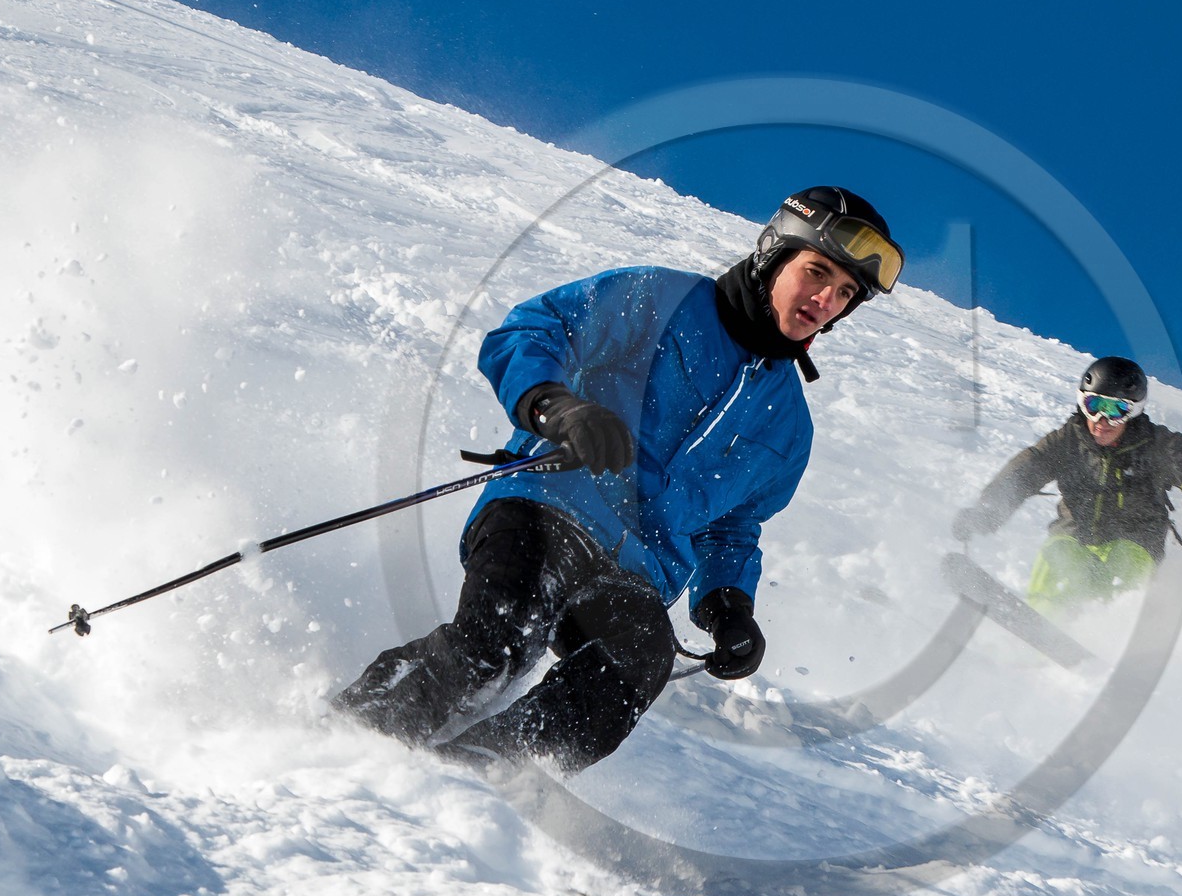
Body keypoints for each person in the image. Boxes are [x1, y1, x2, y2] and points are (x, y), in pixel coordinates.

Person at [334, 187, 904, 771]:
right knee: (499, 644)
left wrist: (729, 604)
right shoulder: (663, 301)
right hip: (547, 509)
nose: (825, 300)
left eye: (844, 293)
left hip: (637, 570)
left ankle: (487, 770)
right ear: (774, 254)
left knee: (636, 663)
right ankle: (355, 732)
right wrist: (555, 406)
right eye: (816, 272)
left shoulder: (788, 425)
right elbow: (535, 331)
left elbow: (732, 525)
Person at [952, 357, 1182, 616]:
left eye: (1115, 410)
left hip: (1137, 543)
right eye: (1094, 405)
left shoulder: (1156, 445)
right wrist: (986, 511)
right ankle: (1045, 620)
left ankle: (1110, 629)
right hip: (1075, 536)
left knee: (1124, 561)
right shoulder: (1067, 442)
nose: (1102, 420)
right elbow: (1023, 474)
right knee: (1058, 554)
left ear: (1133, 412)